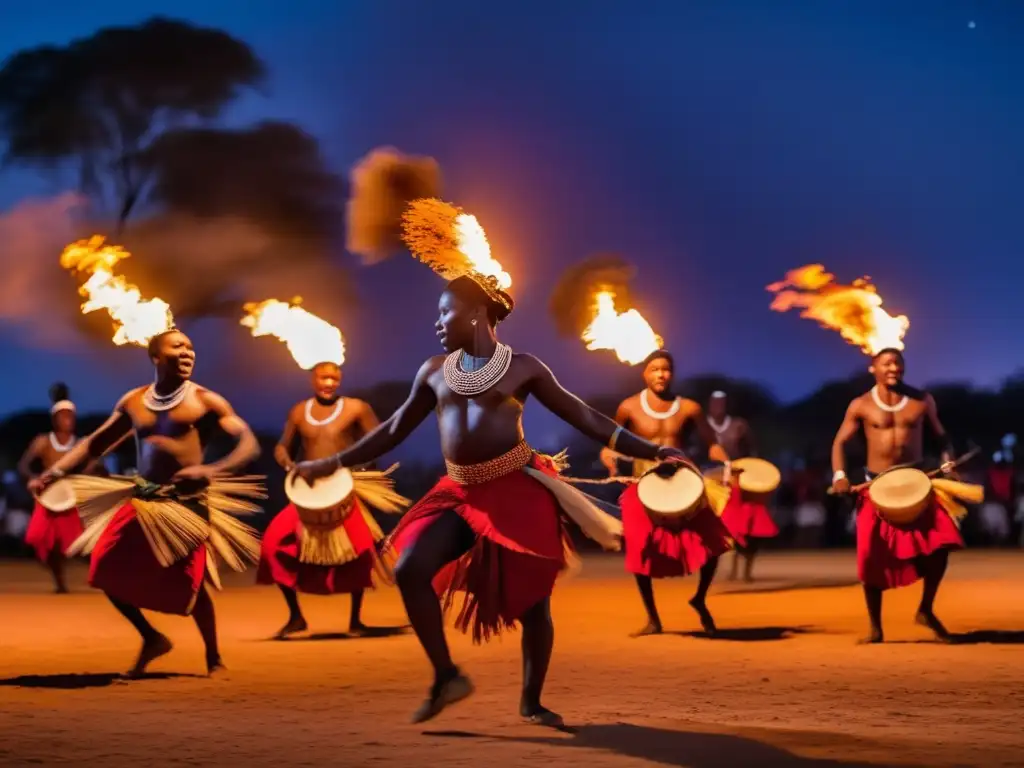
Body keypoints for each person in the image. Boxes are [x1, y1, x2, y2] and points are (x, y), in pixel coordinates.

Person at [295, 273, 683, 728]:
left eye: (445, 311)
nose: (437, 322)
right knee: (410, 570)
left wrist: (652, 450)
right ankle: (446, 677)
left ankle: (531, 701)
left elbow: (585, 418)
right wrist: (333, 462)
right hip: (459, 492)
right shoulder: (434, 370)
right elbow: (395, 429)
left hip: (517, 488)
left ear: (476, 313)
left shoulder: (524, 367)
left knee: (534, 603)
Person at [29, 329, 262, 676]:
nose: (188, 352)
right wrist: (55, 472)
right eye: (178, 346)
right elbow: (94, 444)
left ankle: (213, 657)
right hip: (141, 497)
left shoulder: (207, 401)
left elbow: (248, 444)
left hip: (185, 503)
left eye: (191, 347)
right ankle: (151, 637)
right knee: (104, 570)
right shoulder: (134, 401)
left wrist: (212, 469)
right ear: (155, 356)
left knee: (189, 584)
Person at [830, 348, 961, 643]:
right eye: (886, 363)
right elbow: (839, 442)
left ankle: (926, 609)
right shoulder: (860, 405)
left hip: (917, 484)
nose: (893, 368)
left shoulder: (921, 401)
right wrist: (840, 476)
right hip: (875, 488)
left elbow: (942, 437)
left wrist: (948, 460)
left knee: (939, 546)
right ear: (872, 368)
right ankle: (875, 627)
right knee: (869, 556)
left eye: (898, 363)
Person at [598, 352, 732, 637]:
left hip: (683, 479)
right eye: (655, 369)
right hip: (643, 483)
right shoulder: (629, 407)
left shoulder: (689, 408)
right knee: (640, 546)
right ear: (644, 374)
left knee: (713, 540)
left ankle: (699, 598)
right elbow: (610, 443)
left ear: (672, 374)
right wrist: (609, 456)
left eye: (666, 369)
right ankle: (653, 618)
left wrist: (726, 463)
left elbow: (712, 444)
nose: (661, 374)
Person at [258, 361, 385, 638]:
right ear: (312, 379)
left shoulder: (356, 408)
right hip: (309, 489)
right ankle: (295, 617)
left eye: (333, 378)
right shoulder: (298, 411)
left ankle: (356, 620)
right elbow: (283, 444)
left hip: (344, 489)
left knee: (359, 551)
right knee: (273, 544)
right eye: (323, 378)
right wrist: (285, 459)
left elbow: (378, 441)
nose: (329, 383)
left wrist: (359, 467)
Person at [18, 383, 102, 593]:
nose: (68, 420)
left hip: (72, 497)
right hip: (48, 498)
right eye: (63, 416)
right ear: (55, 419)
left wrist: (91, 473)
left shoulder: (81, 443)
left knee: (77, 545)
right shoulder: (43, 441)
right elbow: (23, 466)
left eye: (71, 416)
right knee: (40, 542)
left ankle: (100, 576)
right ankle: (60, 583)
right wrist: (33, 478)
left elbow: (95, 465)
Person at [706, 391, 779, 581]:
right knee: (722, 526)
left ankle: (746, 570)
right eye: (715, 403)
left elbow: (753, 450)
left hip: (740, 481)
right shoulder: (703, 426)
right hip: (713, 479)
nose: (718, 407)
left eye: (722, 403)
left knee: (748, 526)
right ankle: (728, 567)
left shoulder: (739, 426)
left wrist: (753, 473)